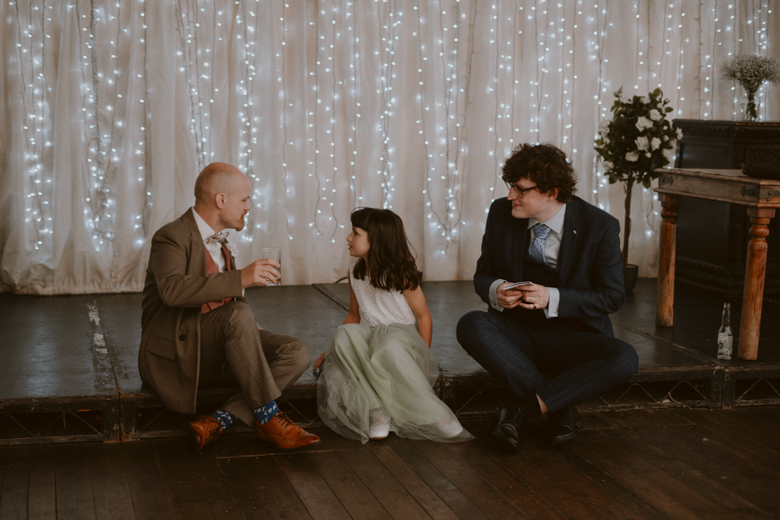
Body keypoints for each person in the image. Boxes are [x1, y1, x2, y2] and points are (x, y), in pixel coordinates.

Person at [456, 143, 638, 453]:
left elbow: (612, 296)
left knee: (625, 357)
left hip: (574, 336)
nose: (510, 196)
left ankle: (521, 410)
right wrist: (496, 289)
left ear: (552, 193)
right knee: (471, 323)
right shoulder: (501, 212)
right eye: (510, 185)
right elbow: (482, 274)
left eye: (520, 189)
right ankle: (561, 407)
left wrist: (552, 297)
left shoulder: (600, 225)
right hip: (517, 334)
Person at [139, 162, 320, 452]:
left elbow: (231, 304)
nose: (248, 206)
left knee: (295, 351)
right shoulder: (171, 236)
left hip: (217, 348)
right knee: (238, 314)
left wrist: (249, 327)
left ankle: (219, 420)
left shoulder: (221, 243)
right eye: (245, 199)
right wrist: (242, 279)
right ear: (221, 200)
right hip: (178, 355)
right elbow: (173, 291)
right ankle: (268, 418)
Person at [313, 208, 472, 444]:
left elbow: (423, 316)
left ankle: (434, 415)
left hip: (399, 338)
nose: (348, 237)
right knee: (344, 334)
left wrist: (424, 356)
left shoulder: (401, 273)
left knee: (387, 345)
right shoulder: (354, 272)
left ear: (377, 239)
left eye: (355, 233)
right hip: (369, 334)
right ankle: (377, 412)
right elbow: (354, 314)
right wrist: (330, 349)